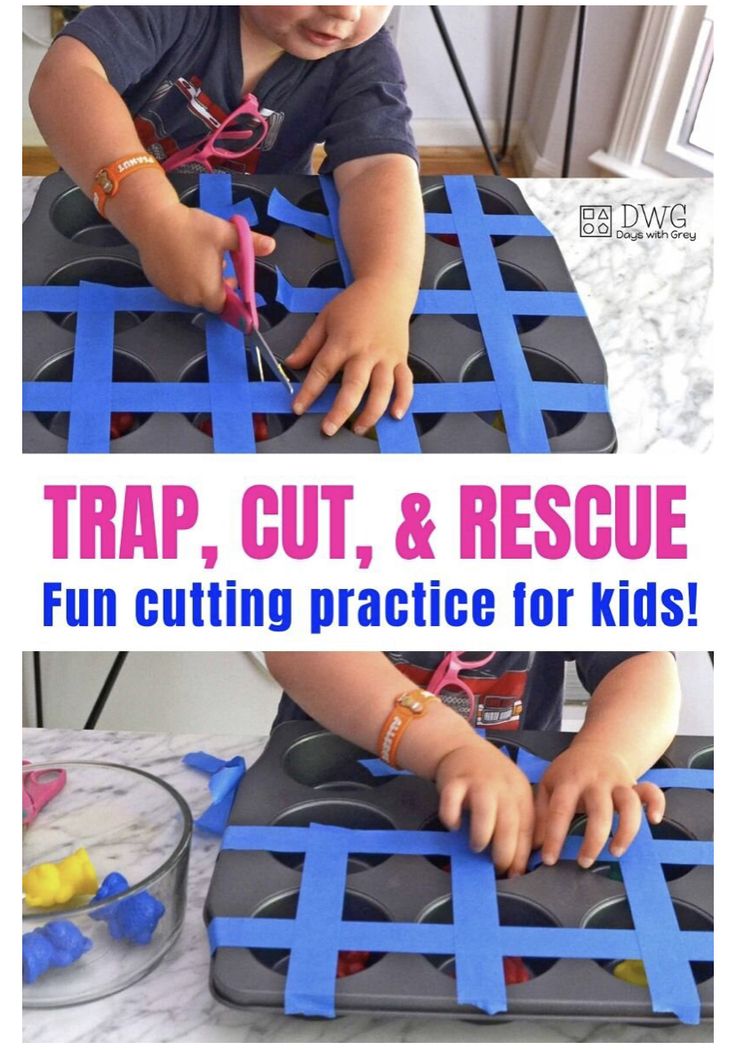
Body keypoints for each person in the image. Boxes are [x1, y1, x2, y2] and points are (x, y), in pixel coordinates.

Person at [29, 6, 425, 437]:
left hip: (252, 261)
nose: (346, 10)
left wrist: (387, 286)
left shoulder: (362, 55)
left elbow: (377, 168)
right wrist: (154, 218)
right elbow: (63, 78)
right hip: (109, 231)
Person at [264, 651, 680, 877]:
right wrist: (448, 747)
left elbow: (643, 661)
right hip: (333, 794)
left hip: (507, 812)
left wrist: (608, 753)